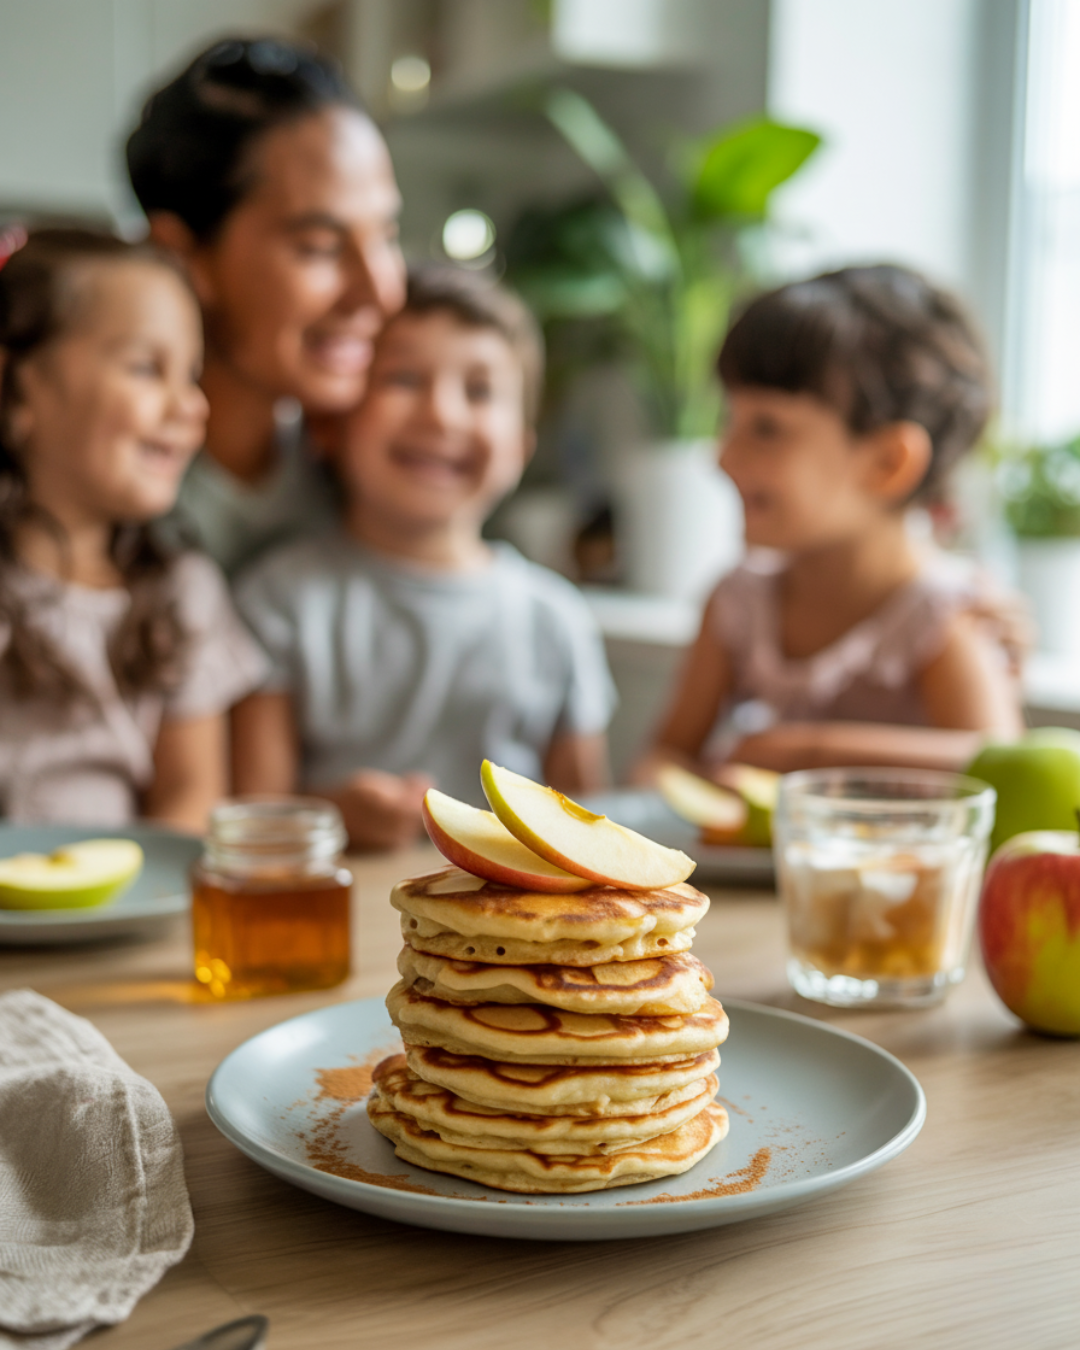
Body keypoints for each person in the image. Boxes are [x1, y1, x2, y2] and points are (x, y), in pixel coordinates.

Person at [232, 269, 615, 848]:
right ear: (330, 425)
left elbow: (592, 838)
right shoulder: (276, 600)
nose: (442, 415)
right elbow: (249, 822)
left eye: (480, 391)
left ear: (522, 445)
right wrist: (333, 815)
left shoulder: (555, 618)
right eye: (404, 378)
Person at [639, 264, 1024, 781]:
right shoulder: (737, 603)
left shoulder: (942, 618)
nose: (723, 456)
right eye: (730, 420)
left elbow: (1001, 770)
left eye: (767, 428)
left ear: (887, 462)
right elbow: (661, 760)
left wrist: (802, 755)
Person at [0, 228, 267, 829]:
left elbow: (192, 797)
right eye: (147, 368)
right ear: (16, 385)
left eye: (192, 374)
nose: (190, 405)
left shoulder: (183, 591)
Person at [126, 36, 406, 575]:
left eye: (388, 237)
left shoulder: (370, 478)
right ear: (182, 255)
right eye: (320, 248)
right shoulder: (87, 494)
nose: (380, 291)